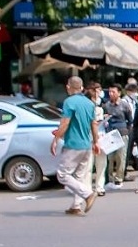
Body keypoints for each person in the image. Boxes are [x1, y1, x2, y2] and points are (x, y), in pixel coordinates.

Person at [50, 76, 100, 216]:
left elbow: (65, 123)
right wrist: (96, 142)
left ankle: (88, 194)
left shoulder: (69, 102)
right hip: (86, 144)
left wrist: (55, 139)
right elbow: (94, 125)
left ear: (68, 87)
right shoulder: (89, 103)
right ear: (82, 87)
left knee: (62, 175)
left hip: (73, 144)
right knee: (79, 176)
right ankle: (76, 206)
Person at [102, 85, 133, 189]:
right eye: (110, 92)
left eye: (113, 92)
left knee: (121, 157)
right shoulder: (106, 106)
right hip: (110, 134)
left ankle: (119, 179)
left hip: (122, 133)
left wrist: (127, 131)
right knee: (109, 158)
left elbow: (130, 120)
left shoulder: (125, 105)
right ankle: (109, 179)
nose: (111, 94)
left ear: (119, 93)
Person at [85, 82, 109, 197]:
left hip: (102, 135)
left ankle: (100, 187)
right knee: (89, 164)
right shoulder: (86, 104)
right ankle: (88, 188)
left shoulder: (103, 103)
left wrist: (106, 118)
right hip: (89, 137)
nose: (99, 92)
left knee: (102, 163)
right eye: (97, 90)